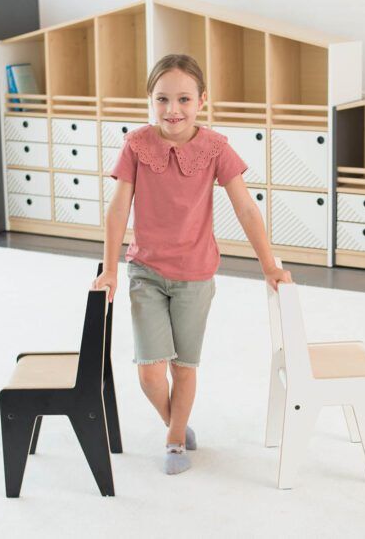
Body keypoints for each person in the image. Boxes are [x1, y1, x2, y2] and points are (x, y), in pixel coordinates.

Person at [91, 54, 292, 475]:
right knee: (150, 373)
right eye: (162, 99)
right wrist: (109, 269)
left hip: (196, 276)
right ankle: (177, 422)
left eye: (184, 99)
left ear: (202, 100)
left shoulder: (215, 147)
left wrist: (268, 264)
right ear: (150, 100)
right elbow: (117, 210)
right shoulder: (136, 144)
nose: (173, 110)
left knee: (184, 367)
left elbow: (246, 208)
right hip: (146, 270)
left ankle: (175, 440)